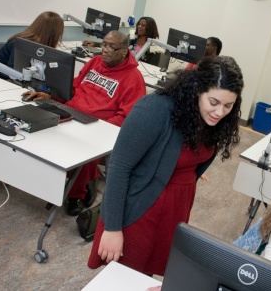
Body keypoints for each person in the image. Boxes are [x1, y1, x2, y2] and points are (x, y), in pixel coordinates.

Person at [87, 56, 244, 277]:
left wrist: (185, 174)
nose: (220, 112)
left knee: (147, 275)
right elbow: (119, 168)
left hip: (176, 208)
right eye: (214, 102)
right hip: (141, 207)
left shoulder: (215, 121)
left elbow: (196, 161)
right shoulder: (156, 109)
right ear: (197, 90)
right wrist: (113, 228)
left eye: (228, 105)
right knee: (123, 277)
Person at [22, 30, 147, 216]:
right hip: (72, 113)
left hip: (98, 127)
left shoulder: (134, 79)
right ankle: (44, 182)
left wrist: (98, 127)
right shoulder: (95, 62)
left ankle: (77, 194)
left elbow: (127, 118)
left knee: (84, 153)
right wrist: (51, 95)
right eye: (104, 44)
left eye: (111, 47)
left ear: (124, 51)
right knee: (36, 124)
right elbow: (74, 86)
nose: (105, 50)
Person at [0, 11, 64, 78]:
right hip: (1, 78)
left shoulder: (41, 46)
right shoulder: (23, 43)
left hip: (17, 79)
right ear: (54, 32)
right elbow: (14, 69)